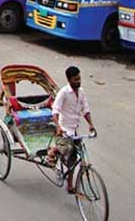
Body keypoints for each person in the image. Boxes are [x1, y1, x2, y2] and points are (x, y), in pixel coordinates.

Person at [46, 66, 96, 194]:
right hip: (63, 130)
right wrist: (58, 127)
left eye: (79, 78)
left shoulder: (82, 92)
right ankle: (53, 151)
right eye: (75, 79)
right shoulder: (63, 93)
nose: (78, 81)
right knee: (66, 148)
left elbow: (85, 109)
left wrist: (91, 124)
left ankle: (69, 186)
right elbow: (55, 111)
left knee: (73, 159)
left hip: (74, 131)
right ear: (69, 80)